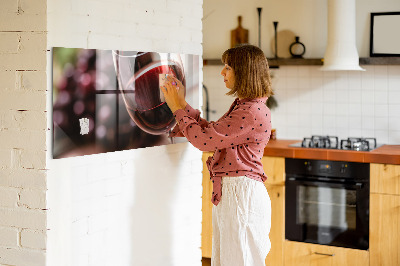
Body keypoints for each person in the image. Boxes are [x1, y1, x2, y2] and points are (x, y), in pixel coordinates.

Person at [161, 44, 273, 266]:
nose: (222, 72)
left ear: (244, 72)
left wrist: (176, 108)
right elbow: (212, 133)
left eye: (228, 67)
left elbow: (204, 141)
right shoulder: (246, 106)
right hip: (236, 193)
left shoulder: (250, 111)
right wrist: (182, 103)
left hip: (241, 196)